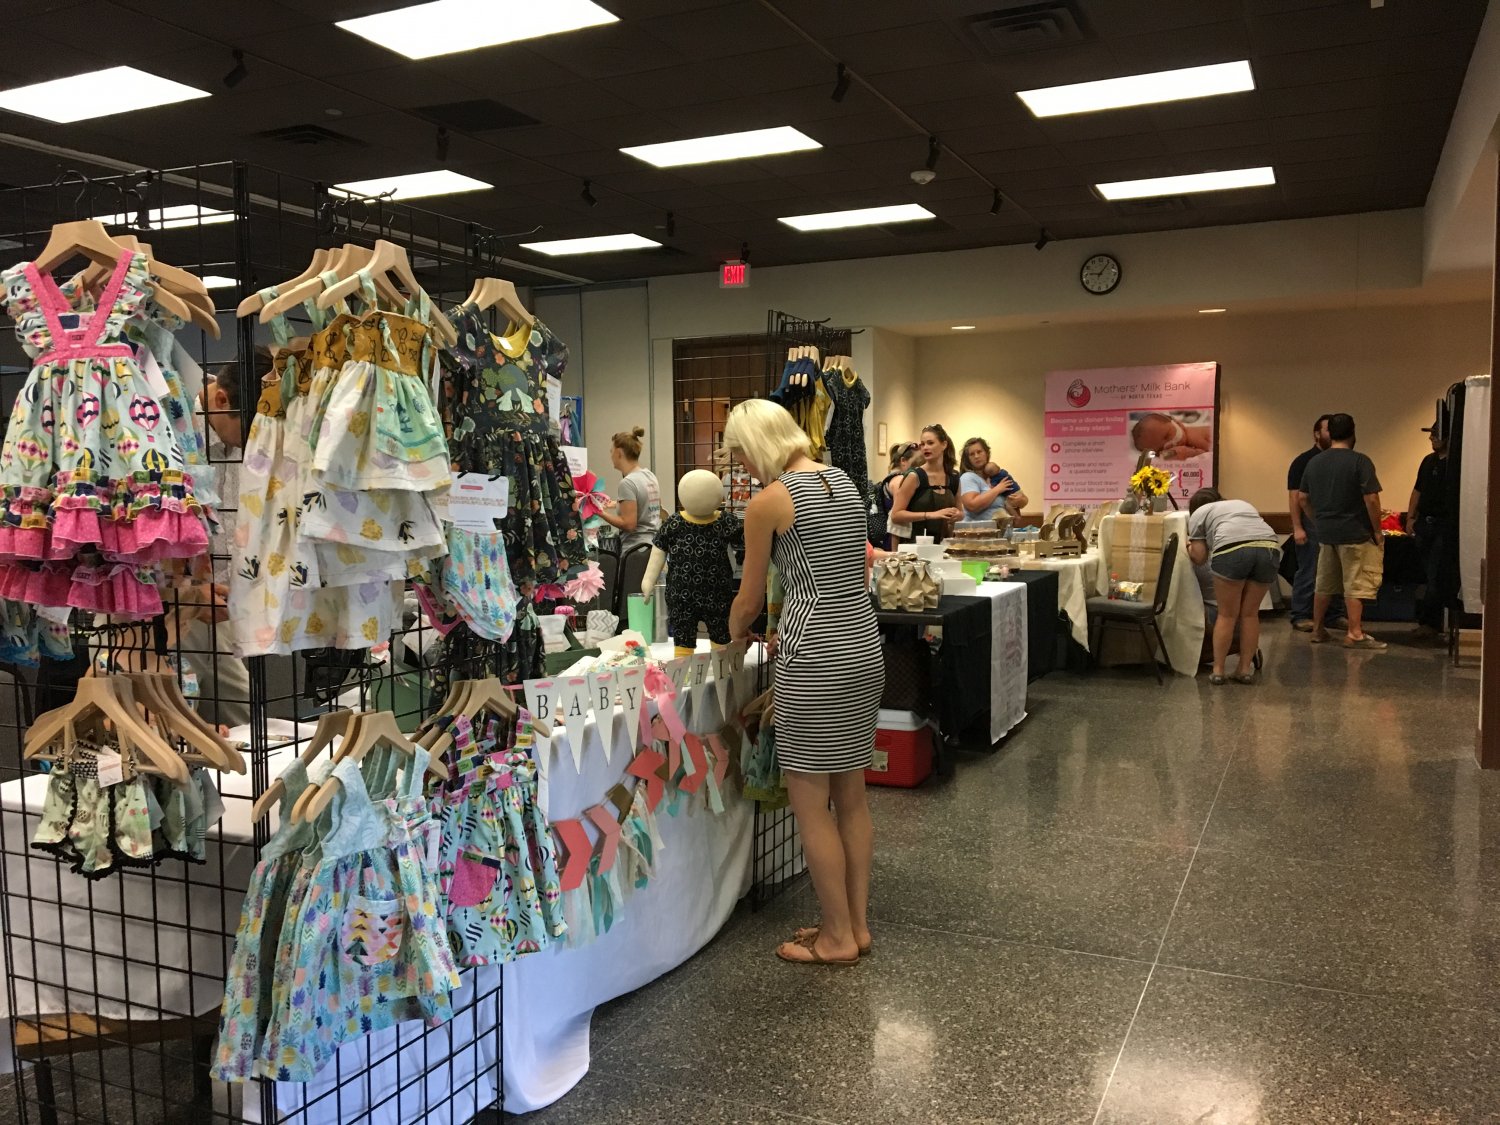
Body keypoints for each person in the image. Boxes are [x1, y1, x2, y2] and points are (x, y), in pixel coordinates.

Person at [726, 399, 882, 967]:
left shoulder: (769, 501)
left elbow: (748, 598)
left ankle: (836, 938)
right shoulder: (844, 481)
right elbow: (855, 567)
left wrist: (734, 632)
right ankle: (855, 926)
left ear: (757, 445)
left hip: (814, 654)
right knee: (851, 797)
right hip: (862, 644)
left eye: (740, 454)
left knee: (810, 804)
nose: (742, 466)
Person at [1298, 412, 1386, 650]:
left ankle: (1317, 630)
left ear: (1330, 434)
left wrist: (1318, 522)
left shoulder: (1314, 462)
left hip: (1326, 534)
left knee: (1323, 583)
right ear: (1352, 433)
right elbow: (1371, 499)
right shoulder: (1360, 461)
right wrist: (1377, 530)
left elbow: (1303, 498)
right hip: (1355, 533)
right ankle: (1355, 633)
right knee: (1355, 583)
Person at [1187, 488, 1280, 684]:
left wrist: (1189, 547)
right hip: (1269, 548)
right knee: (1250, 614)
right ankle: (1244, 670)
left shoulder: (1198, 514)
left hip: (1232, 550)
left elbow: (1199, 557)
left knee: (1227, 615)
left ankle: (1218, 671)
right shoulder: (1241, 504)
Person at [1287, 414, 1334, 632]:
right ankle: (1301, 614)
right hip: (1310, 522)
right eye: (1327, 429)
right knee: (1310, 569)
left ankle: (1334, 615)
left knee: (1335, 570)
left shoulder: (1338, 459)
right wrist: (1297, 527)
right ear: (1317, 434)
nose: (1332, 434)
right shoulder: (1303, 461)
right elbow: (1295, 496)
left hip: (1333, 521)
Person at [1407, 424, 1452, 641]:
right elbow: (1417, 490)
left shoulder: (1454, 464)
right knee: (1425, 573)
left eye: (1435, 434)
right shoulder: (1428, 461)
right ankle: (1427, 621)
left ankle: (1431, 623)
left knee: (1436, 574)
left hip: (1443, 525)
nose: (1431, 438)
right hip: (1424, 524)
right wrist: (1410, 517)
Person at [888, 424, 963, 540]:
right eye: (922, 444)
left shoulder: (953, 477)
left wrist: (958, 515)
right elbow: (896, 515)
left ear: (944, 445)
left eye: (930, 443)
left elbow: (961, 512)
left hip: (945, 544)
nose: (925, 447)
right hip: (916, 544)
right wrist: (930, 515)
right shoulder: (914, 476)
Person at [598, 427, 661, 554]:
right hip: (652, 547)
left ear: (619, 453)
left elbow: (629, 524)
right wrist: (616, 504)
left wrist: (599, 512)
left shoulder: (627, 483)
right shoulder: (649, 476)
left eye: (611, 451)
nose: (611, 456)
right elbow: (645, 503)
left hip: (635, 551)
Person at [958, 437, 1027, 524]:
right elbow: (972, 505)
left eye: (979, 452)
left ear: (987, 453)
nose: (976, 456)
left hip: (1004, 529)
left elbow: (1021, 497)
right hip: (979, 530)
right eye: (972, 454)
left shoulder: (996, 475)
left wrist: (1021, 500)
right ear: (968, 459)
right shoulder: (967, 477)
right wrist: (997, 489)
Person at [1131, 412, 1213, 460]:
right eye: (1160, 449)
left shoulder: (1193, 436)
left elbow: (1212, 455)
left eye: (1167, 435)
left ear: (1178, 423)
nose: (1169, 445)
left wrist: (1193, 453)